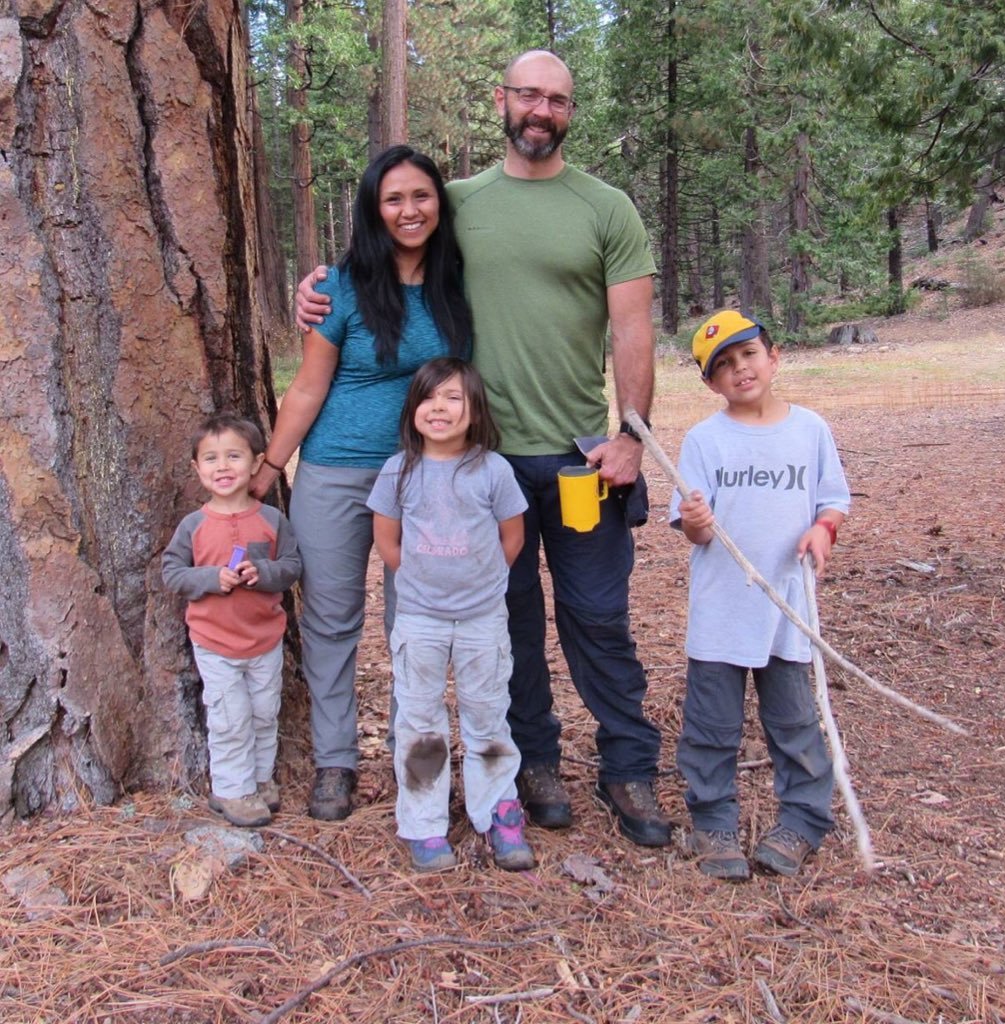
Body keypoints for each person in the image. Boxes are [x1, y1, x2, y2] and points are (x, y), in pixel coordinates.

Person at [296, 50, 670, 848]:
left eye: (557, 100)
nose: (541, 110)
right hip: (477, 463)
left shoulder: (607, 208)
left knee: (598, 616)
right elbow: (389, 238)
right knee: (507, 619)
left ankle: (629, 767)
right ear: (501, 100)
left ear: (571, 110)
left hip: (579, 457)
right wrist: (318, 286)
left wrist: (631, 437)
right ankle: (533, 764)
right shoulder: (457, 203)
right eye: (528, 95)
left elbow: (634, 328)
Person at [251, 145, 472, 822]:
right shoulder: (339, 289)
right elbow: (309, 388)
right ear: (374, 211)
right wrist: (266, 471)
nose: (410, 210)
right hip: (336, 472)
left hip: (425, 477)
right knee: (330, 621)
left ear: (440, 203)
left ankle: (417, 764)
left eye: (422, 196)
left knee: (417, 624)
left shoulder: (463, 284)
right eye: (394, 199)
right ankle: (334, 763)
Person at [669, 311, 851, 880]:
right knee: (711, 726)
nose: (739, 369)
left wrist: (823, 531)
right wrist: (698, 520)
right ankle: (713, 820)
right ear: (709, 383)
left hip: (787, 610)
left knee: (795, 721)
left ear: (774, 358)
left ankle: (801, 819)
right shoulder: (705, 440)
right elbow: (693, 529)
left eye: (748, 355)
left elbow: (832, 500)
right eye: (722, 365)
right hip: (723, 610)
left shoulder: (810, 429)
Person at [367, 357, 535, 872]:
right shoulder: (399, 469)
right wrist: (419, 583)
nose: (439, 408)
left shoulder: (493, 469)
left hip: (483, 618)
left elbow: (513, 536)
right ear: (413, 408)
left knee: (487, 714)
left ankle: (498, 812)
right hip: (418, 618)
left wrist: (479, 585)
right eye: (428, 397)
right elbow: (386, 538)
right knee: (420, 721)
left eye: (453, 397)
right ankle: (423, 821)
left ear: (474, 409)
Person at [163, 414, 302, 828]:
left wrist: (265, 574)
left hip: (265, 638)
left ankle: (259, 780)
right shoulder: (195, 525)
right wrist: (209, 578)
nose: (222, 467)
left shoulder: (272, 519)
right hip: (216, 642)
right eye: (211, 459)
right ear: (196, 468)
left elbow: (292, 565)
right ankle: (231, 789)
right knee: (230, 718)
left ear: (257, 462)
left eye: (234, 456)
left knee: (263, 712)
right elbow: (172, 572)